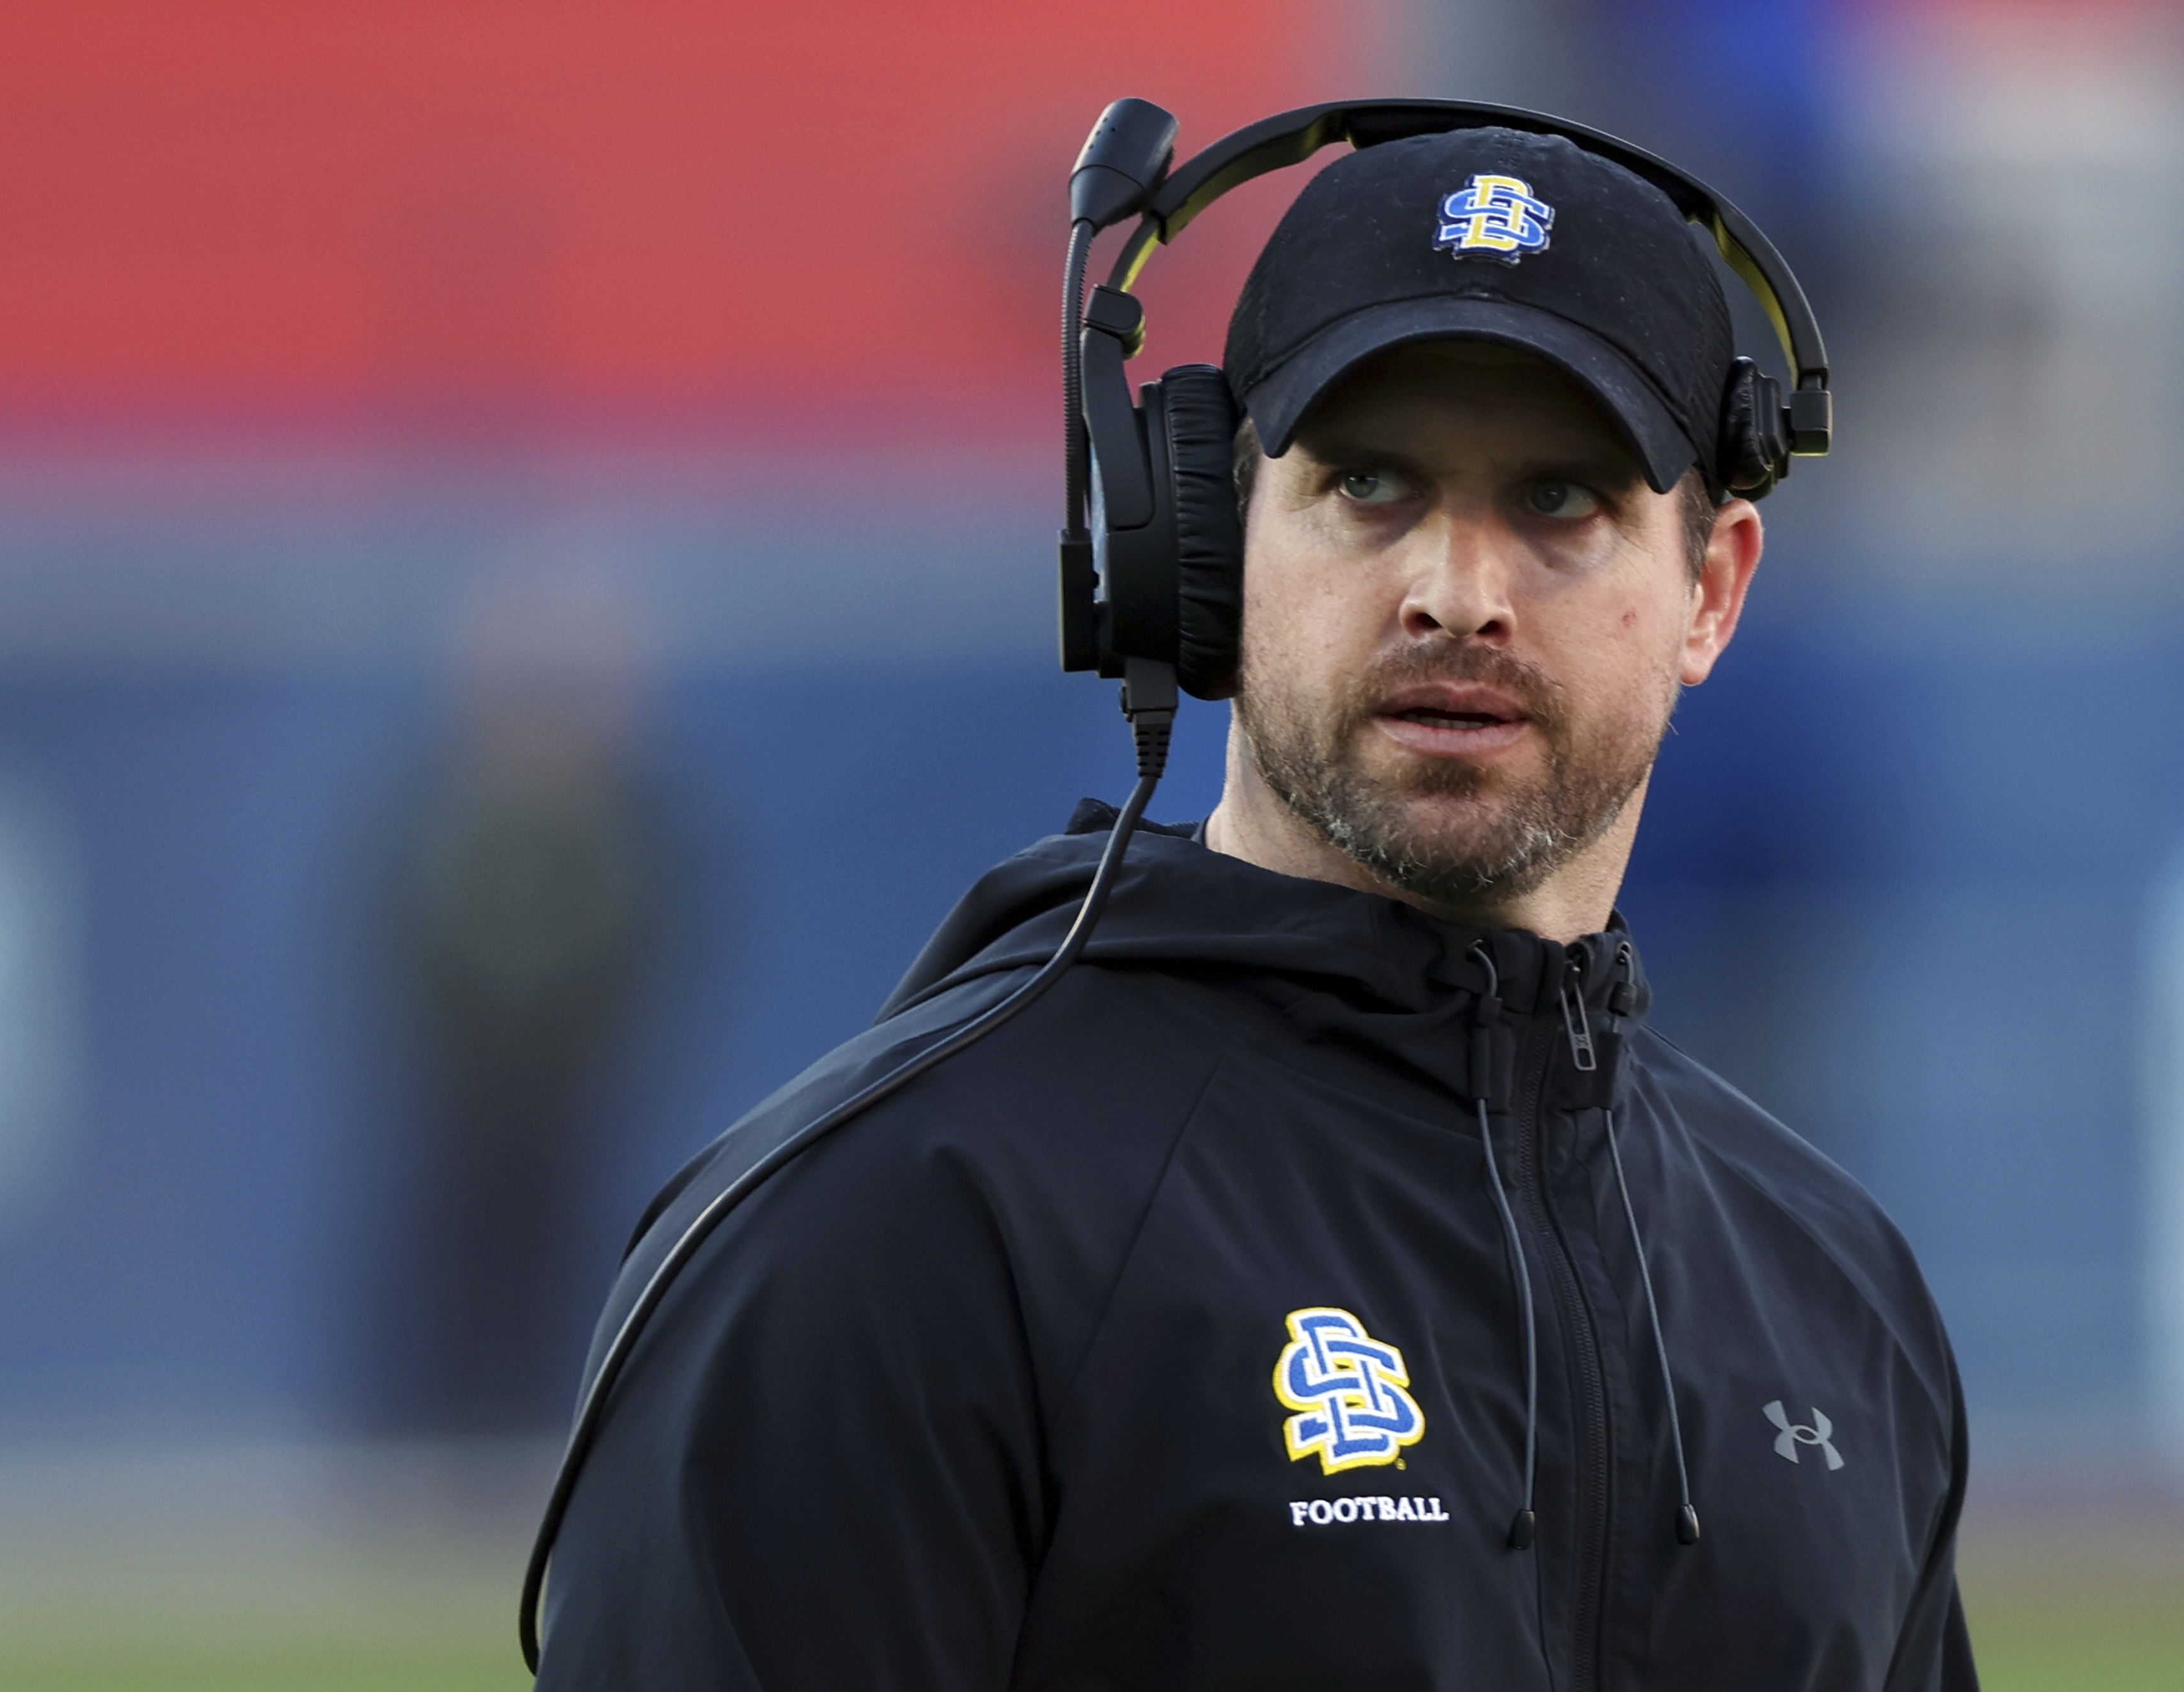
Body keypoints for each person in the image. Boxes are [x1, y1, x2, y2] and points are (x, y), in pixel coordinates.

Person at [536, 124, 1976, 1691]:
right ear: (1206, 547)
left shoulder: (1836, 1296)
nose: (1453, 589)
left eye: (1559, 500)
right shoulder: (896, 1230)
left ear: (1709, 590)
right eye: (1368, 483)